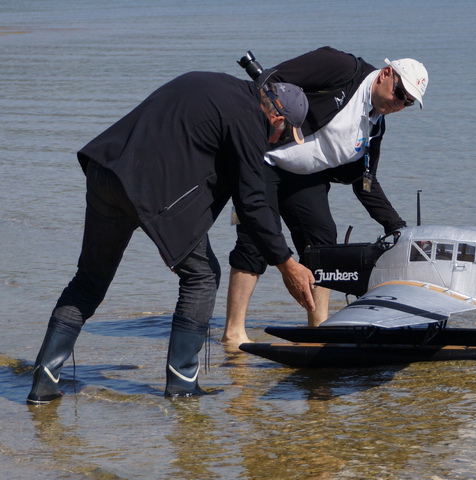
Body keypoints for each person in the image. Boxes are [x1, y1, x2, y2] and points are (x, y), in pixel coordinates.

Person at [27, 71, 316, 404]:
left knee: (89, 282)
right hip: (144, 188)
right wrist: (287, 264)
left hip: (104, 169)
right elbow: (252, 202)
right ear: (276, 117)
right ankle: (182, 386)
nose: (274, 141)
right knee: (203, 276)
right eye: (281, 134)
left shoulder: (213, 82)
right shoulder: (250, 119)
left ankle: (43, 385)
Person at [220, 47, 428, 346]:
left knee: (323, 242)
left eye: (408, 103)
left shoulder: (376, 126)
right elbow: (268, 82)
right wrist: (259, 129)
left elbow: (364, 182)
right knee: (256, 239)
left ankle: (318, 329)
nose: (400, 104)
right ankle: (233, 332)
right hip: (264, 161)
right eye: (400, 93)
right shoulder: (341, 68)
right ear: (386, 74)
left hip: (305, 175)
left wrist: (397, 228)